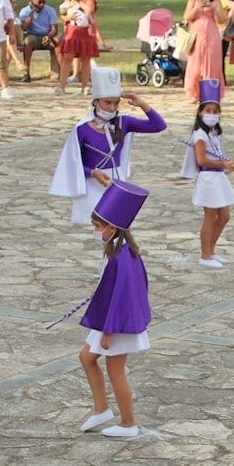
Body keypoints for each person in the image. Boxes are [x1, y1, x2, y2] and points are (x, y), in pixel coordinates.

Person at [77, 180, 153, 439]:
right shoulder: (122, 251)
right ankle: (101, 409)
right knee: (86, 357)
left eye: (97, 227)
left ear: (111, 227)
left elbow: (121, 295)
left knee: (115, 370)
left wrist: (108, 331)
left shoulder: (120, 257)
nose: (95, 231)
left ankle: (128, 423)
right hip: (112, 320)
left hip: (116, 323)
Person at [49, 66, 167, 224]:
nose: (112, 108)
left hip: (117, 183)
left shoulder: (124, 122)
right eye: (107, 103)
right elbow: (73, 165)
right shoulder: (82, 129)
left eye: (116, 103)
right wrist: (92, 173)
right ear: (96, 101)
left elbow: (158, 126)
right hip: (94, 184)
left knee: (119, 229)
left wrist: (143, 104)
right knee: (101, 229)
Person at [180, 80, 234, 268]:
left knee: (224, 216)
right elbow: (201, 160)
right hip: (208, 178)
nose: (212, 115)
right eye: (208, 111)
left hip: (218, 177)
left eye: (215, 111)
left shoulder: (214, 133)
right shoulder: (200, 135)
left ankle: (211, 251)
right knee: (211, 216)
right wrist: (223, 163)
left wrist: (226, 163)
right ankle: (205, 256)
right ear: (200, 112)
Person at [58, 0, 99, 95]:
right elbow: (63, 14)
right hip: (72, 32)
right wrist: (68, 18)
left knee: (85, 59)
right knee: (67, 58)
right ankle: (61, 86)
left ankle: (85, 86)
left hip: (85, 33)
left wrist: (78, 3)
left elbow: (90, 10)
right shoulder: (67, 0)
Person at [18, 0, 61, 82]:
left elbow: (54, 29)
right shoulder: (25, 11)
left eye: (43, 2)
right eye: (39, 2)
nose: (42, 4)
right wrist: (32, 12)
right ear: (33, 1)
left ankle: (59, 72)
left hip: (47, 35)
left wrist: (48, 36)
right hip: (32, 35)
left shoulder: (50, 10)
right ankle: (26, 73)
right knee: (27, 42)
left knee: (57, 41)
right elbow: (25, 28)